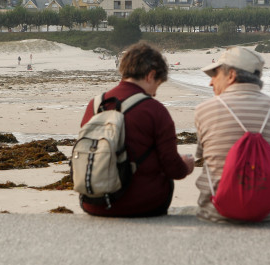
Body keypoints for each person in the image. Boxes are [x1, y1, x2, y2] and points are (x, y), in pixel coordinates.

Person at [79, 42, 194, 217]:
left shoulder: (95, 104)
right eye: (157, 84)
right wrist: (186, 166)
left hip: (92, 203)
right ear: (150, 75)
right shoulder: (154, 110)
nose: (154, 93)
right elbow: (173, 168)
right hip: (140, 205)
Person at [194, 46, 270, 223]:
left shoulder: (204, 109)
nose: (210, 82)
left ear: (231, 76)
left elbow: (202, 157)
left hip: (216, 212)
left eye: (215, 75)